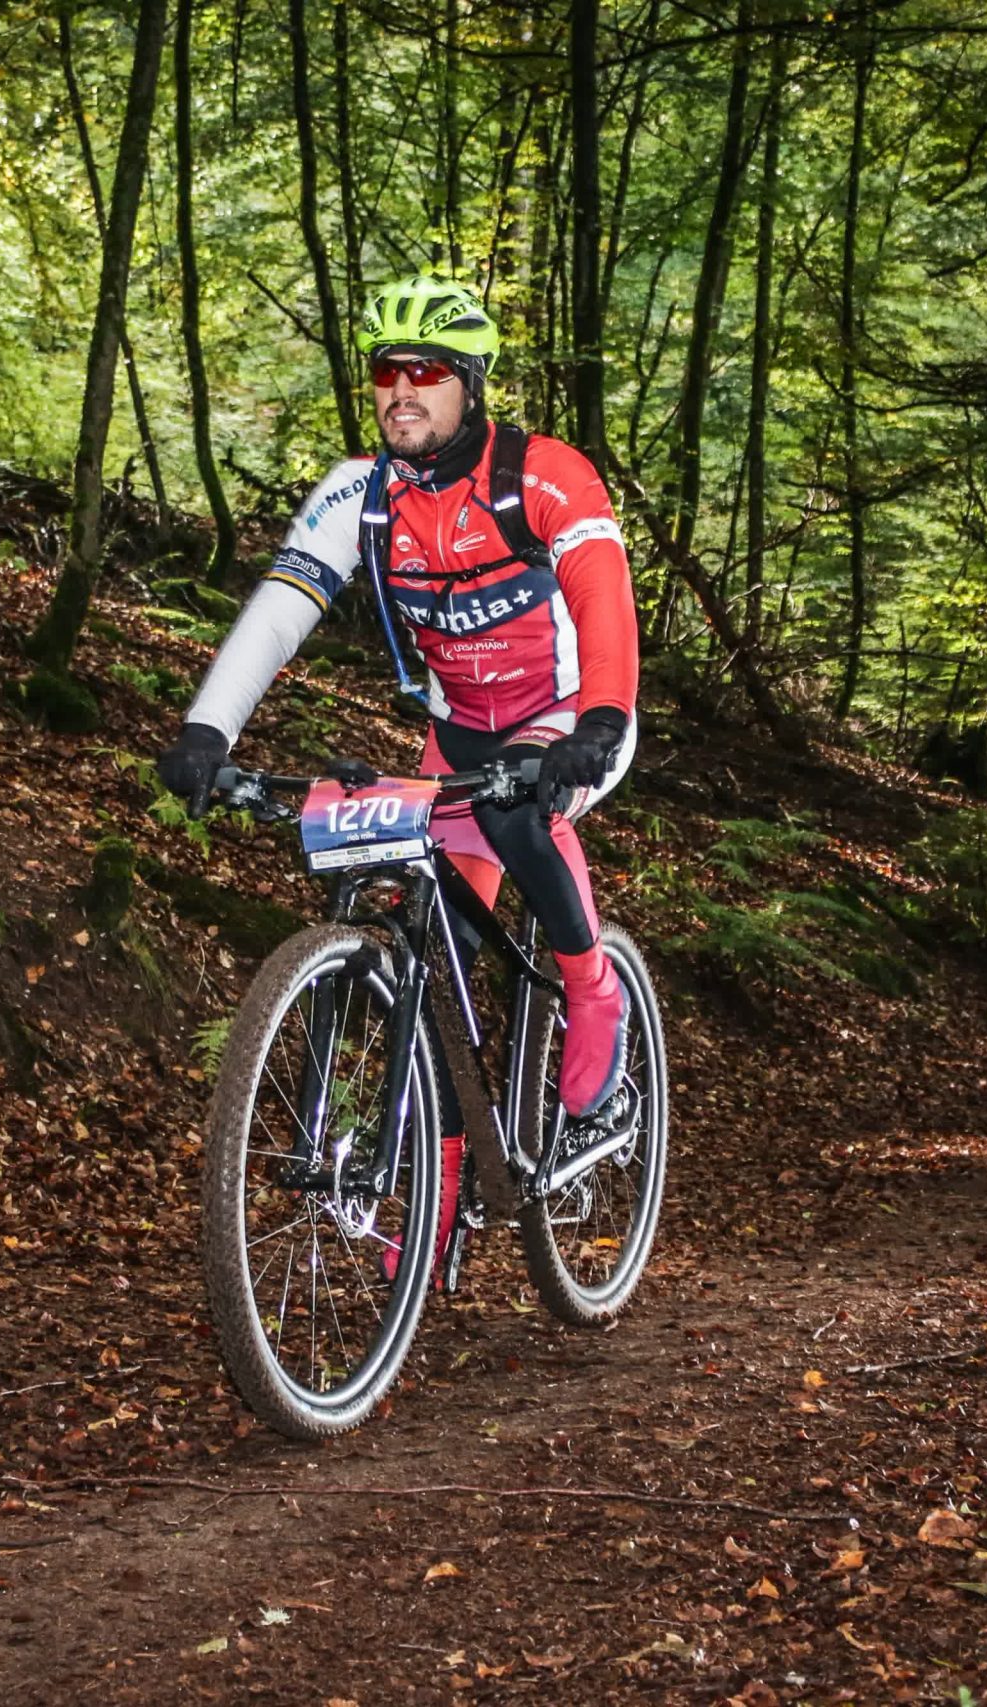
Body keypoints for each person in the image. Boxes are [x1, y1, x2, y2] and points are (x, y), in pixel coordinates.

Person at [156, 274, 641, 1272]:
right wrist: (207, 731)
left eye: (427, 371)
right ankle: (439, 1190)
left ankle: (591, 984)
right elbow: (281, 610)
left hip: (568, 719)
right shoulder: (361, 497)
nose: (402, 389)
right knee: (432, 966)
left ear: (471, 382)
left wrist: (600, 718)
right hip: (457, 739)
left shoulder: (543, 476)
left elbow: (603, 595)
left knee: (518, 815)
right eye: (387, 372)